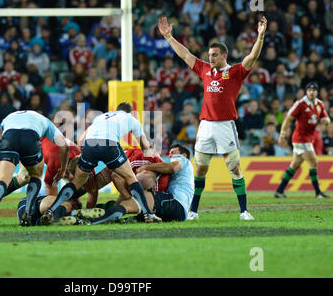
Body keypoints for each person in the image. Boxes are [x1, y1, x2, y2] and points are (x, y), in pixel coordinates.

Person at [158, 15, 268, 221]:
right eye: (209, 55)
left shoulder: (235, 72)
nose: (211, 58)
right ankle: (193, 211)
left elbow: (252, 58)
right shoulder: (205, 70)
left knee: (234, 168)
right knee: (200, 169)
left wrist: (260, 37)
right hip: (206, 126)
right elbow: (185, 54)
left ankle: (244, 211)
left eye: (215, 55)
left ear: (224, 55)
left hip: (226, 125)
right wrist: (168, 37)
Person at [40, 102, 162, 225]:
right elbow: (145, 146)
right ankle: (148, 214)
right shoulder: (131, 119)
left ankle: (51, 211)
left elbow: (81, 139)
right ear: (128, 112)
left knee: (76, 183)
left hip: (89, 145)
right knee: (131, 178)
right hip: (109, 143)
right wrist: (150, 157)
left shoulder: (101, 117)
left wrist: (86, 157)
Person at [0, 110, 70, 228]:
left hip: (9, 136)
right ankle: (28, 212)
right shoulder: (45, 122)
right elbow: (64, 146)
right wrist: (63, 168)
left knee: (3, 180)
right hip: (30, 138)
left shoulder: (7, 118)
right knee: (35, 176)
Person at [275, 82, 331, 199]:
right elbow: (288, 119)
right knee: (313, 162)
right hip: (300, 139)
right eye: (310, 90)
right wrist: (282, 135)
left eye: (314, 90)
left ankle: (279, 191)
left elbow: (325, 117)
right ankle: (318, 193)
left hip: (309, 139)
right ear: (306, 91)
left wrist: (326, 120)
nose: (312, 92)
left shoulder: (319, 104)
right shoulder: (300, 104)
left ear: (317, 92)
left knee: (294, 165)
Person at [136, 144, 193, 222]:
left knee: (146, 195)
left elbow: (171, 167)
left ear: (184, 155)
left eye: (173, 152)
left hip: (175, 202)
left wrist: (145, 167)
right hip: (180, 212)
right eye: (169, 153)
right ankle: (135, 217)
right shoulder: (186, 170)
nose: (170, 155)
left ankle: (122, 210)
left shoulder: (182, 159)